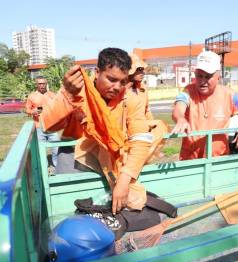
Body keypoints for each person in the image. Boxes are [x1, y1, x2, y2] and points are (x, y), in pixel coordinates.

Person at [40, 47, 165, 214]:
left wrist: (123, 180)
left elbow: (140, 139)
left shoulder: (130, 99)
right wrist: (69, 96)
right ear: (97, 72)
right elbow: (47, 125)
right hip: (73, 160)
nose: (117, 87)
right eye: (111, 79)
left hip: (111, 164)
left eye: (122, 82)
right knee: (68, 213)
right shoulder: (77, 90)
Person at [171, 51, 238, 160]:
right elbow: (179, 107)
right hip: (190, 160)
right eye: (199, 76)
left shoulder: (231, 96)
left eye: (208, 76)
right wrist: (180, 118)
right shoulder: (188, 91)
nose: (202, 81)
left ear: (218, 76)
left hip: (218, 159)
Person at [25, 76, 60, 173]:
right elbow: (27, 109)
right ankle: (43, 169)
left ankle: (55, 167)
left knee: (56, 149)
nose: (42, 85)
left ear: (46, 84)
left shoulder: (52, 95)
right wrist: (33, 111)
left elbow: (58, 107)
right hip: (39, 127)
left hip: (52, 127)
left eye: (43, 83)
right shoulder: (32, 96)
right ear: (36, 84)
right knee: (41, 151)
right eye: (39, 83)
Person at [128, 53, 153, 119]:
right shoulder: (119, 90)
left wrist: (151, 124)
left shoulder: (143, 88)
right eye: (139, 69)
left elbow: (147, 110)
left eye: (142, 69)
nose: (142, 73)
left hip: (142, 127)